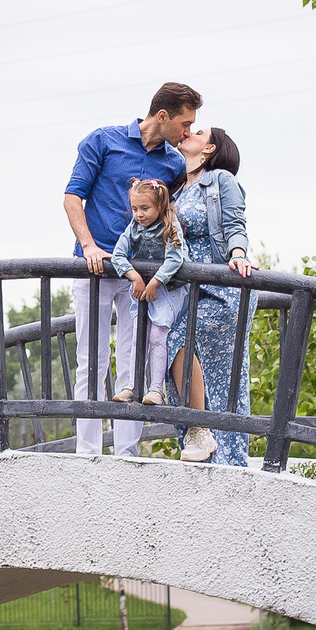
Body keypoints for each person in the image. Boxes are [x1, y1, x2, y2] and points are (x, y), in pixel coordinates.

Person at [62, 83, 198, 455]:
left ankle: (126, 454)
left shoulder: (172, 163)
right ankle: (87, 453)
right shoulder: (102, 141)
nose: (187, 133)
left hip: (143, 278)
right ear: (163, 116)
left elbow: (170, 220)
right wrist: (89, 245)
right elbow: (73, 196)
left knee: (132, 361)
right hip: (95, 269)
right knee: (91, 360)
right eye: (185, 124)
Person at [163, 126, 258, 466]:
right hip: (188, 294)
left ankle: (215, 446)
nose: (188, 132)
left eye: (198, 131)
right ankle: (201, 437)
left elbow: (235, 222)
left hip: (223, 291)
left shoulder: (220, 180)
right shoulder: (176, 188)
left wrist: (237, 253)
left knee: (224, 380)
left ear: (209, 148)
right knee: (168, 343)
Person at [108, 178, 192, 405]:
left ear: (160, 207)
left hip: (166, 289)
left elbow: (176, 258)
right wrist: (134, 276)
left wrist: (155, 281)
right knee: (139, 336)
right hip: (142, 288)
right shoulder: (133, 227)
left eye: (145, 209)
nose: (139, 214)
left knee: (157, 336)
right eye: (135, 209)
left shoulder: (169, 225)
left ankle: (156, 389)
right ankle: (132, 386)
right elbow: (118, 254)